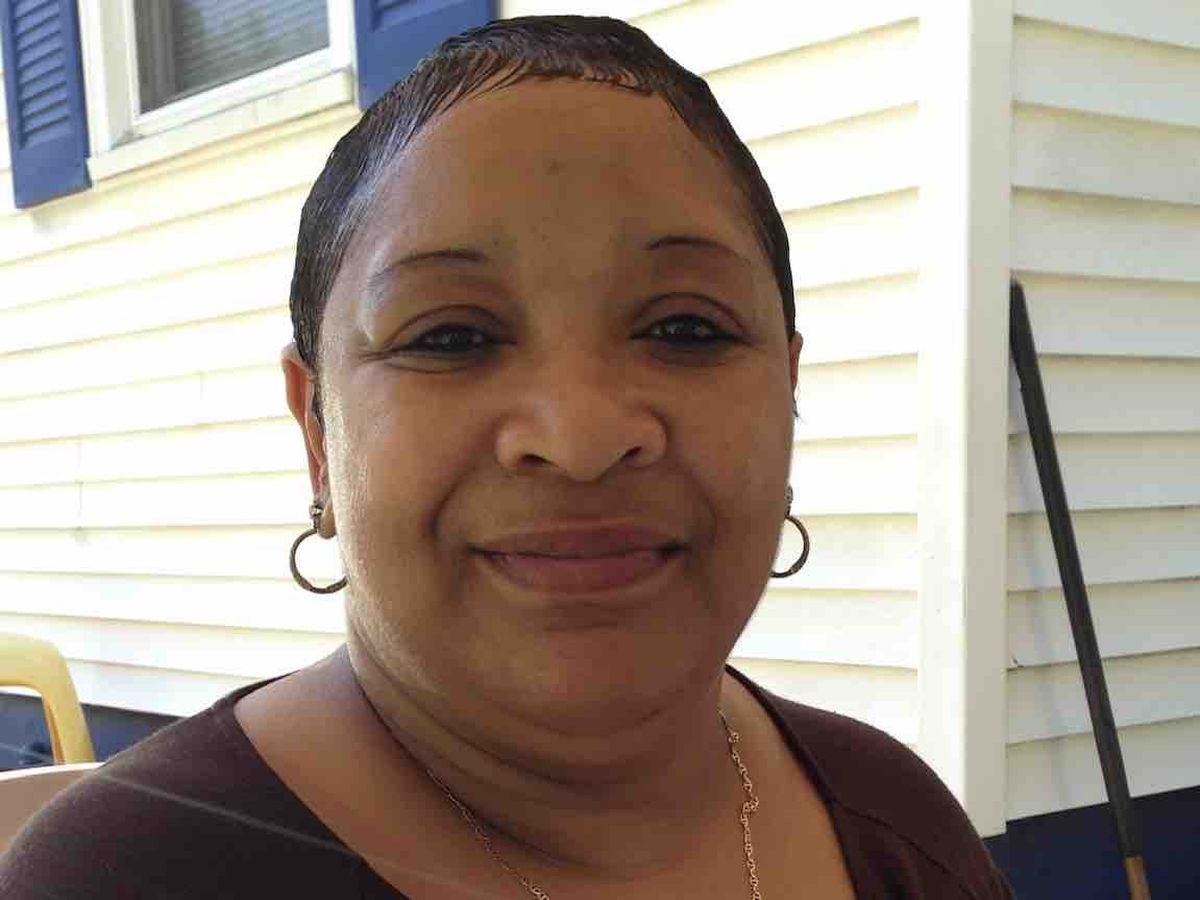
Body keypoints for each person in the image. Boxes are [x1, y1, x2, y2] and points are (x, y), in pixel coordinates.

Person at [0, 15, 1015, 900]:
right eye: (451, 337)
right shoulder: (118, 879)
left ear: (787, 393)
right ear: (318, 433)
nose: (580, 439)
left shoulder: (900, 828)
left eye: (687, 328)